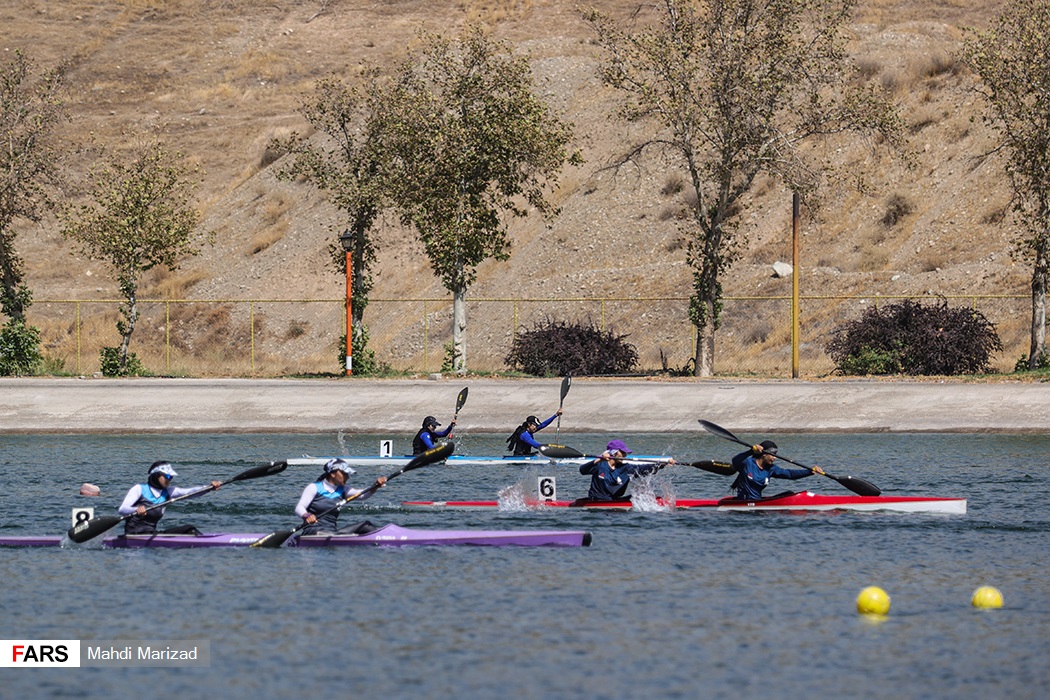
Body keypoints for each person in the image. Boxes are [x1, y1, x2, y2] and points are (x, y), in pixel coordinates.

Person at [118, 461, 222, 536]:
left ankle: (204, 543)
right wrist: (136, 509)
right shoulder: (139, 489)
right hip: (134, 536)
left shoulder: (168, 492)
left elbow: (190, 492)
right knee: (189, 529)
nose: (170, 480)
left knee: (189, 530)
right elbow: (122, 510)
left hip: (151, 534)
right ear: (156, 475)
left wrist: (209, 487)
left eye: (171, 477)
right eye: (168, 477)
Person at [294, 459, 386, 535]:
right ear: (333, 474)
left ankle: (385, 538)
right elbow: (299, 507)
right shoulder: (314, 487)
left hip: (332, 532)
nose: (348, 477)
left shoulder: (343, 490)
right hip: (313, 531)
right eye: (344, 473)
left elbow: (362, 495)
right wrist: (307, 515)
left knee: (366, 525)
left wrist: (375, 486)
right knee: (329, 533)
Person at [576, 439, 672, 503]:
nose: (625, 455)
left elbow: (643, 469)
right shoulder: (600, 465)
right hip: (597, 501)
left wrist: (662, 464)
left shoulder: (625, 468)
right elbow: (582, 470)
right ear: (614, 452)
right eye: (623, 452)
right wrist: (599, 459)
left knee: (643, 496)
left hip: (615, 501)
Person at [730, 440, 824, 500]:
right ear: (764, 454)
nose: (774, 458)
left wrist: (810, 471)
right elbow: (735, 460)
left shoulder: (771, 469)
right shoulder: (747, 463)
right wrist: (751, 451)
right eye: (773, 455)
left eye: (776, 455)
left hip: (758, 503)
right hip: (744, 504)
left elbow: (790, 474)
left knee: (789, 494)